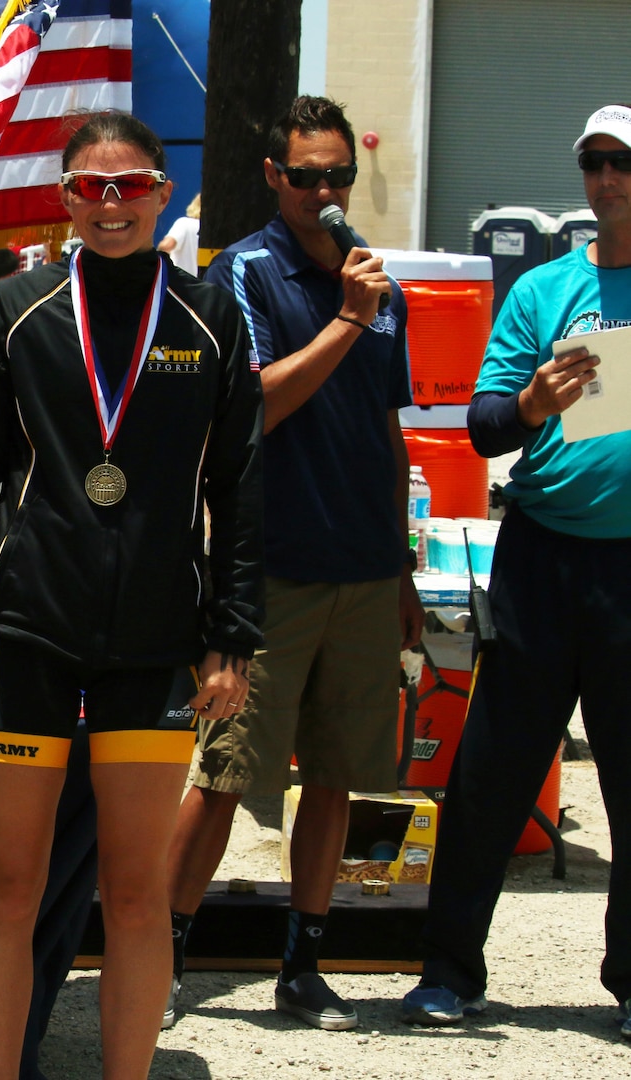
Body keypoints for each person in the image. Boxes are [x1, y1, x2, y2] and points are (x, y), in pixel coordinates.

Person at [0, 110, 263, 1080]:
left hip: (157, 643)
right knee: (9, 884)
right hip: (26, 630)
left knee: (136, 891)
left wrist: (231, 638)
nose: (110, 205)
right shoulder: (14, 311)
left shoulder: (211, 319)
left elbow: (240, 490)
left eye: (130, 187)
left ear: (163, 193)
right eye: (89, 188)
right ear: (64, 200)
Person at [167, 95, 423, 1032]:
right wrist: (348, 320)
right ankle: (164, 949)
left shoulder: (375, 284)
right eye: (306, 176)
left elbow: (388, 437)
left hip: (361, 567)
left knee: (338, 775)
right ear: (274, 178)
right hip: (270, 569)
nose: (324, 192)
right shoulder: (243, 272)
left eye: (338, 176)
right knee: (227, 771)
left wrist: (399, 567)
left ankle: (304, 963)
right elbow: (255, 409)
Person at [403, 104, 631, 1033]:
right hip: (541, 557)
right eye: (594, 162)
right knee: (492, 773)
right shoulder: (542, 291)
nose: (608, 179)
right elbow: (484, 425)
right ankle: (451, 974)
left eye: (623, 163)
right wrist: (533, 402)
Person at [157, 193, 202, 275]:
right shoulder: (211, 231)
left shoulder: (184, 223)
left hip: (179, 282)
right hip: (200, 283)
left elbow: (166, 245)